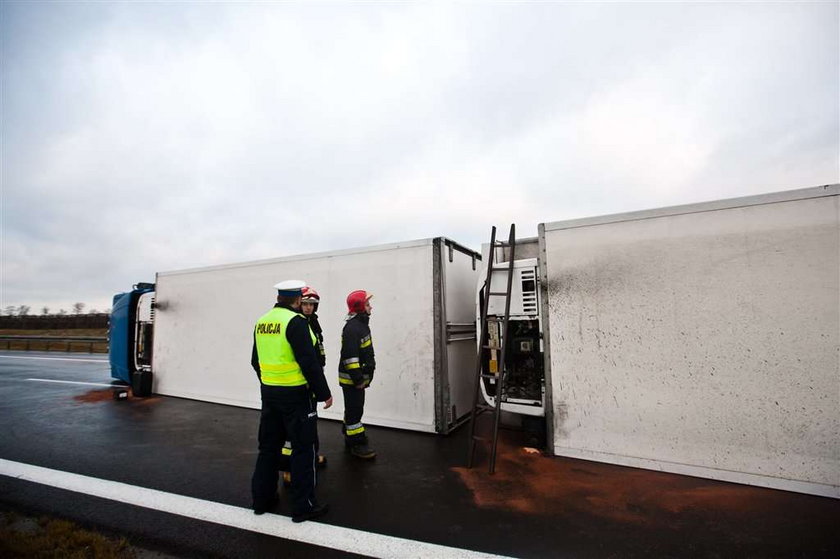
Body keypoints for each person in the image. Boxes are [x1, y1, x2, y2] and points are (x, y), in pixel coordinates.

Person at [250, 279, 332, 523]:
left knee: (268, 448)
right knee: (303, 450)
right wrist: (323, 392)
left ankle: (261, 501)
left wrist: (268, 382)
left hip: (270, 394)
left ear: (278, 298)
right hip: (296, 395)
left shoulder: (262, 321)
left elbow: (255, 361)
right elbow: (309, 362)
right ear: (297, 300)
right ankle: (303, 507)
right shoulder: (295, 322)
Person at [279, 286, 327, 485]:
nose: (308, 308)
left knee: (310, 423)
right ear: (299, 303)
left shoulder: (313, 323)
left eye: (312, 305)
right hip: (296, 385)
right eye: (305, 304)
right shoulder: (296, 323)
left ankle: (312, 456)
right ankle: (288, 468)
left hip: (310, 383)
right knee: (291, 430)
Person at [338, 289, 376, 459]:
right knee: (355, 411)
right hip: (353, 381)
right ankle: (357, 444)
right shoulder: (353, 328)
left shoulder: (360, 325)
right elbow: (350, 358)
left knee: (353, 409)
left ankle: (349, 433)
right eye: (368, 304)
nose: (371, 307)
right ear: (360, 307)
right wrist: (359, 379)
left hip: (356, 379)